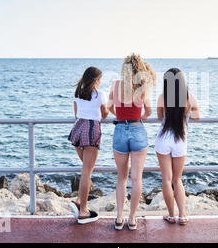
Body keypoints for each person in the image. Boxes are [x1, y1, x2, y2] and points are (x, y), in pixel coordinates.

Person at [108, 54, 155, 230]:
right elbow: (149, 110)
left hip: (120, 130)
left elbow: (109, 107)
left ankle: (119, 218)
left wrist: (120, 116)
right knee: (137, 178)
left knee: (121, 178)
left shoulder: (115, 85)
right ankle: (132, 218)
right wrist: (138, 118)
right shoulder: (143, 86)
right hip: (138, 130)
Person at [155, 68, 200, 226]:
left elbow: (160, 117)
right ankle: (182, 215)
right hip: (180, 140)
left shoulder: (162, 97)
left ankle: (171, 215)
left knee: (167, 179)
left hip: (163, 139)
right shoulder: (189, 97)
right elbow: (196, 116)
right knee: (177, 179)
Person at [67, 66, 109, 224]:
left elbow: (76, 114)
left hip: (78, 129)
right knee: (86, 172)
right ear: (96, 80)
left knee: (86, 168)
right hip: (91, 130)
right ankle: (83, 211)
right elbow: (105, 115)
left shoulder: (78, 93)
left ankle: (79, 200)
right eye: (99, 79)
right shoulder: (100, 94)